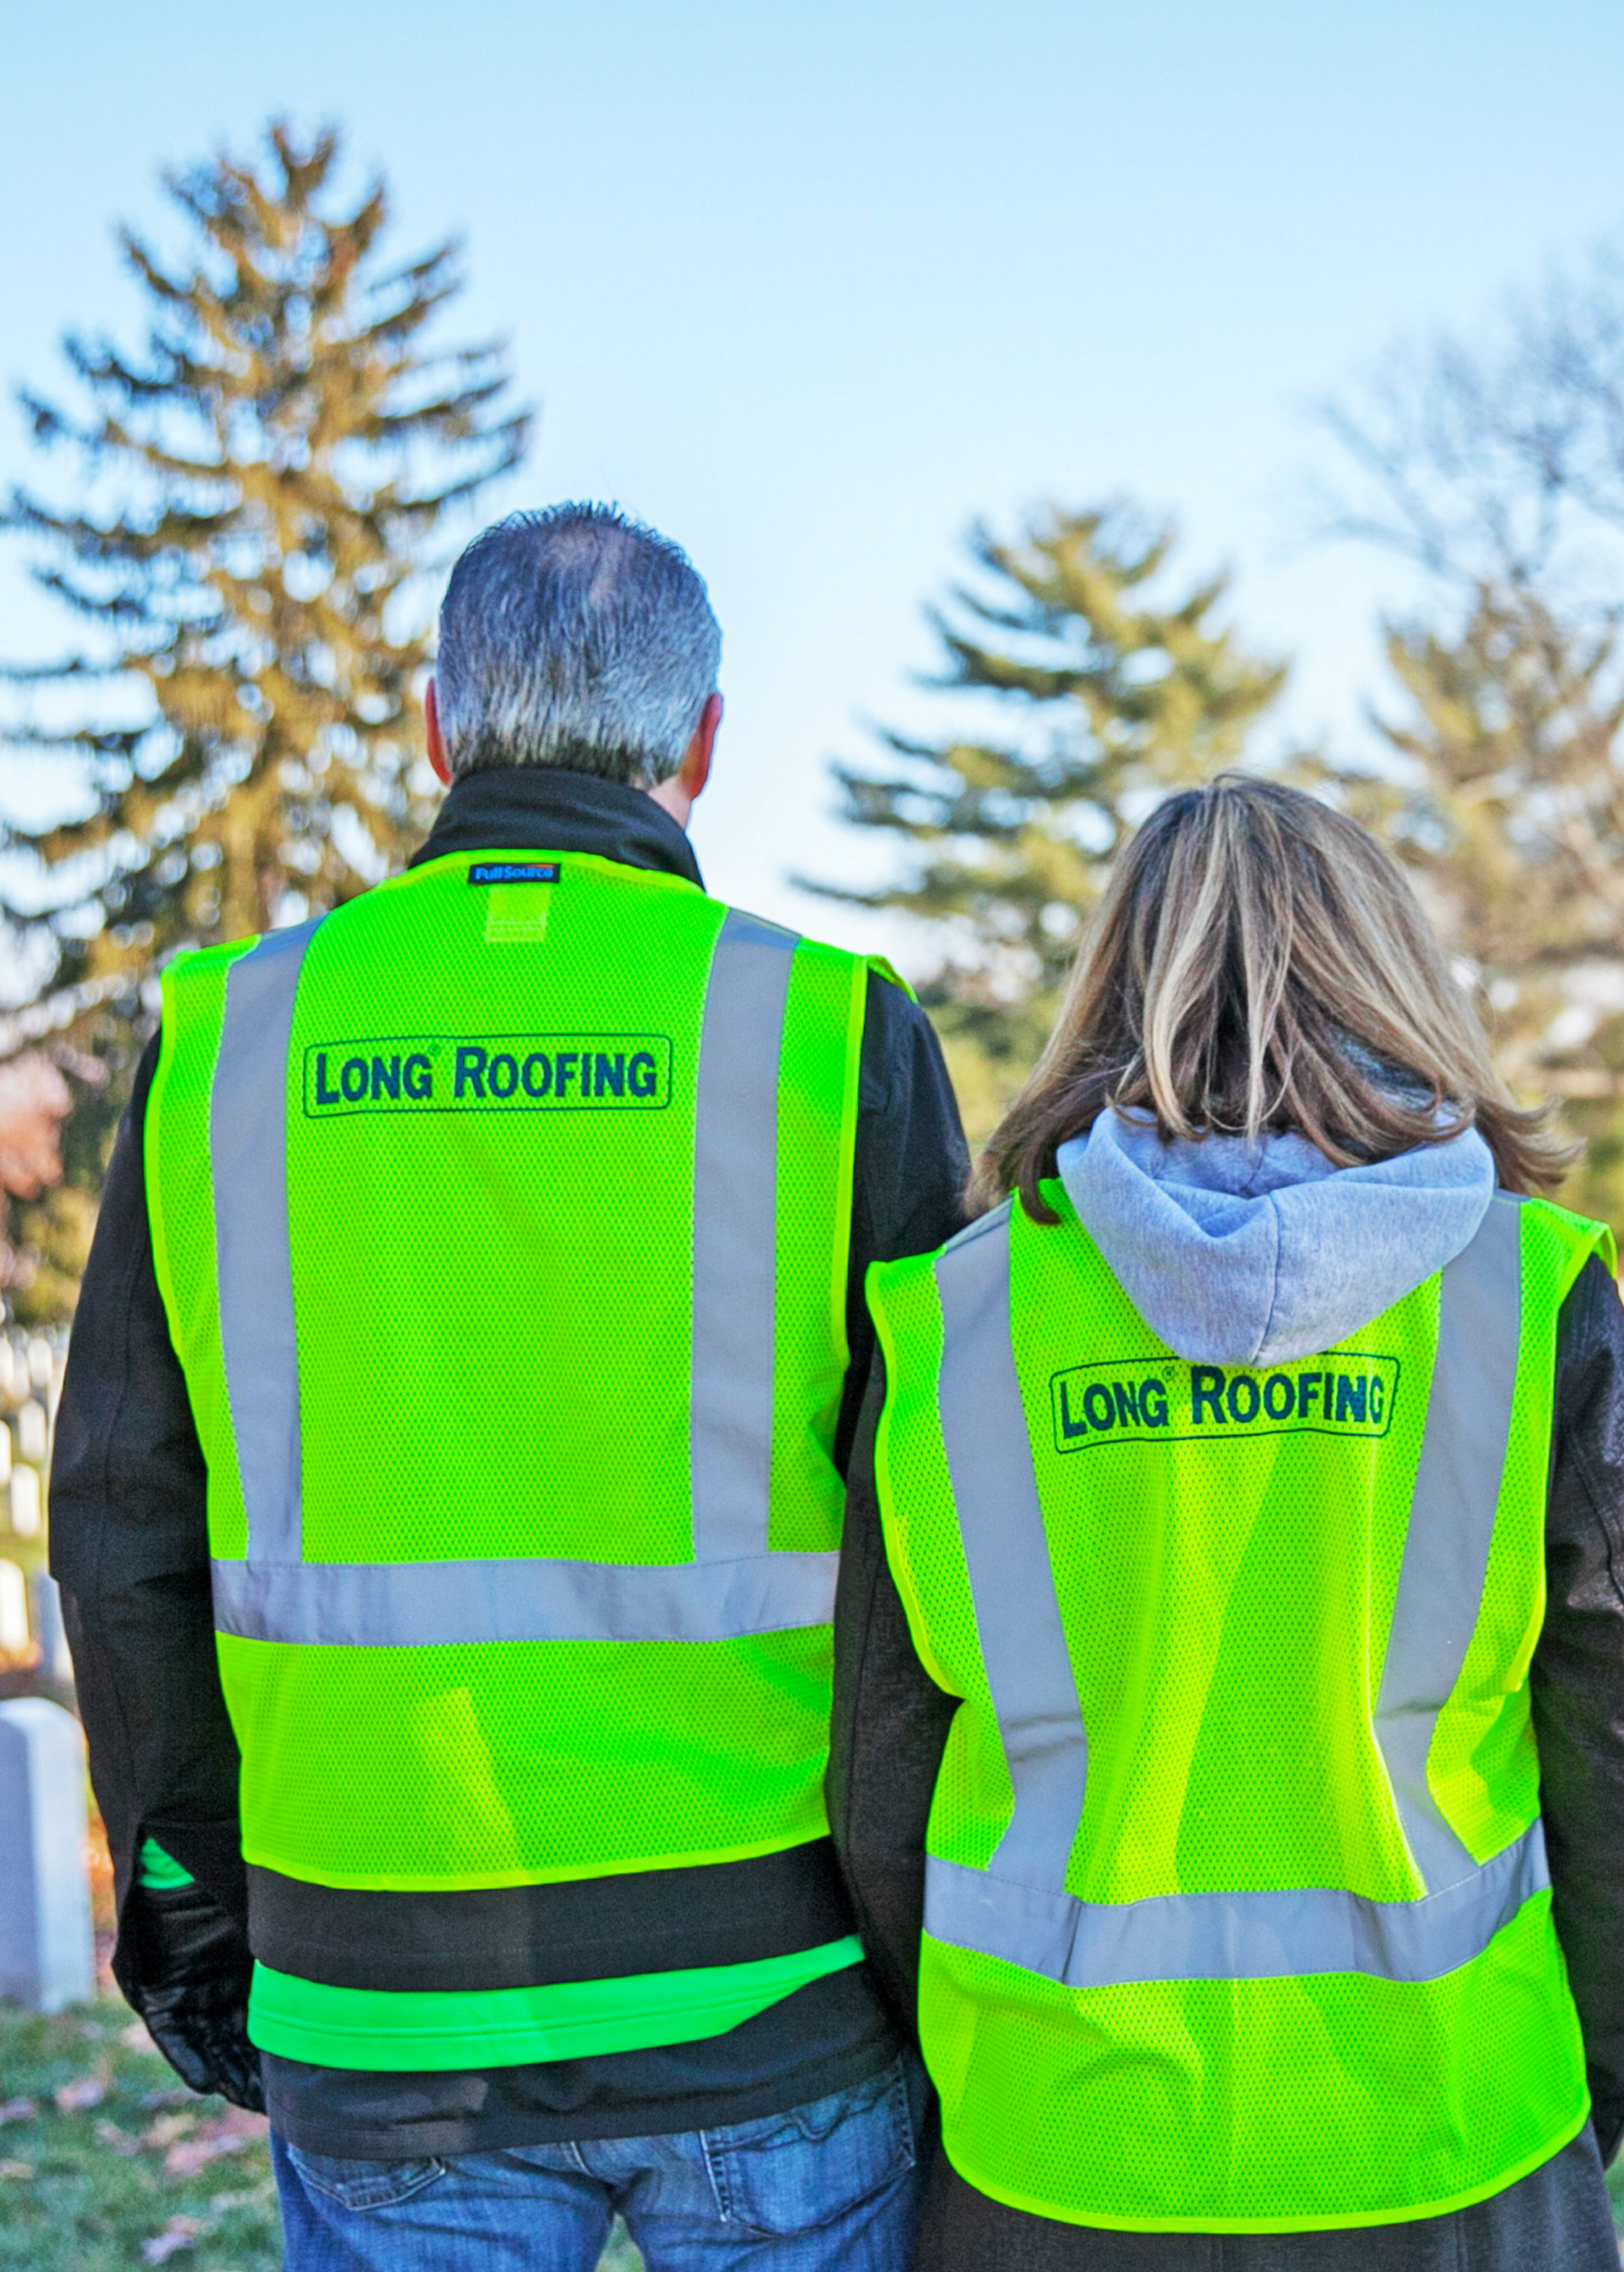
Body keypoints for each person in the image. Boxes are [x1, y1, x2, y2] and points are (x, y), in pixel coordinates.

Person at [51, 504, 967, 2270]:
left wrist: (186, 1904)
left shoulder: (229, 1041)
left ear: (437, 727)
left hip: (377, 1990)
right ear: (703, 744)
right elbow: (941, 1542)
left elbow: (122, 1529)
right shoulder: (829, 1028)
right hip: (771, 1986)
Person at [827, 775, 1624, 2265]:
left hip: (1055, 2148)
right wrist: (1587, 2086)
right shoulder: (1520, 1292)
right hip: (1452, 2135)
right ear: (1388, 973)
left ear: (1109, 986)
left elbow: (881, 1773)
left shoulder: (957, 1314)